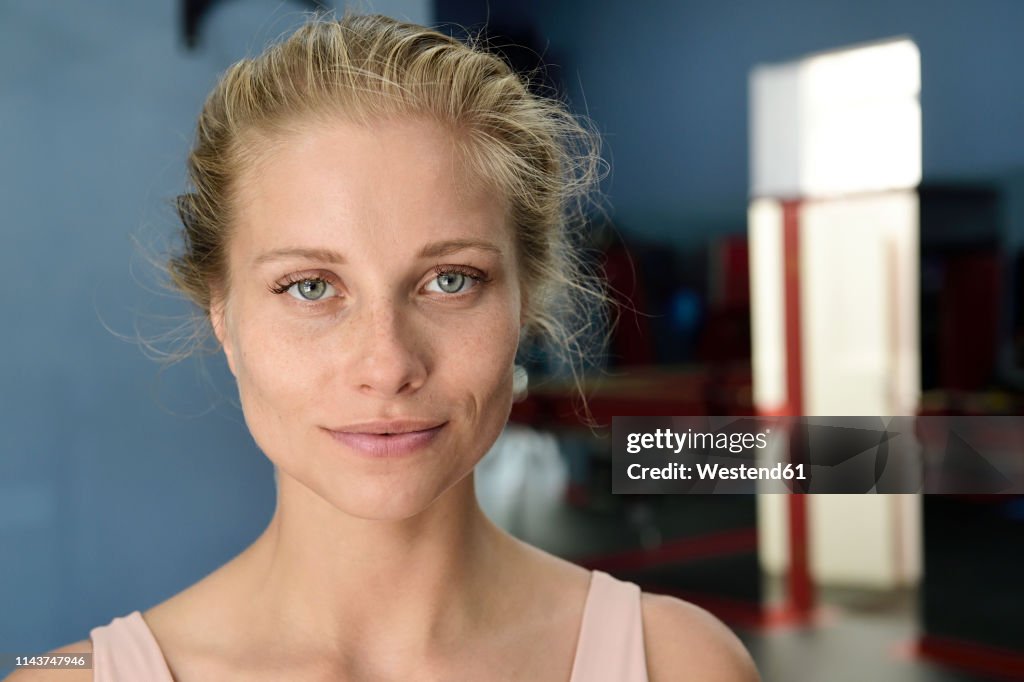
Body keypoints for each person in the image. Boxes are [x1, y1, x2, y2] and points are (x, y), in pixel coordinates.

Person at [9, 14, 759, 681]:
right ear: (223, 317)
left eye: (450, 280)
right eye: (309, 286)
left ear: (525, 298)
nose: (388, 364)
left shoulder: (677, 664)